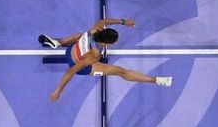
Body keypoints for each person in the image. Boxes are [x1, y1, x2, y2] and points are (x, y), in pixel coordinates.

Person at [39, 18, 171, 101]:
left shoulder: (96, 28)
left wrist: (124, 22)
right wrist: (58, 91)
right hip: (78, 63)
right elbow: (71, 71)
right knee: (121, 71)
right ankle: (155, 80)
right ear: (106, 44)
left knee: (79, 35)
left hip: (71, 49)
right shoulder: (95, 55)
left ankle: (59, 43)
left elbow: (105, 21)